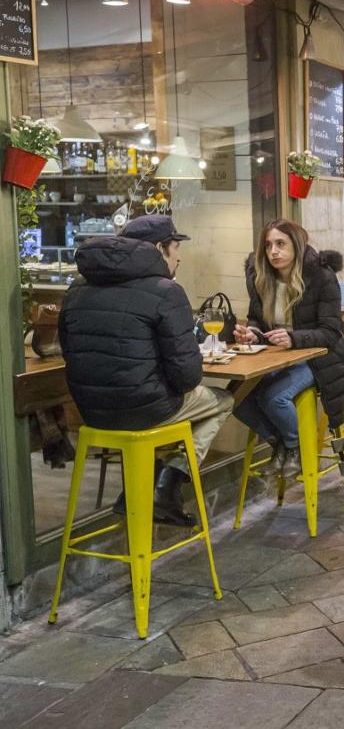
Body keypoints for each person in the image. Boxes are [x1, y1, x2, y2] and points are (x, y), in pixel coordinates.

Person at [59, 215, 234, 526]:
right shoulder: (166, 291)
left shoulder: (76, 289)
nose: (179, 256)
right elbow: (188, 377)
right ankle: (167, 485)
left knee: (152, 399)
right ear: (159, 248)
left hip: (92, 413)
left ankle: (138, 488)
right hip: (146, 410)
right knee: (222, 400)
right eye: (176, 248)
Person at [233, 219, 344, 477]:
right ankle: (282, 444)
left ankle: (296, 445)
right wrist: (253, 333)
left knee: (273, 398)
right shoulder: (259, 277)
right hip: (276, 357)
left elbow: (332, 332)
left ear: (297, 245)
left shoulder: (321, 275)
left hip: (320, 359)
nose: (273, 252)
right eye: (268, 246)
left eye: (280, 244)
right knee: (236, 398)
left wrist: (294, 338)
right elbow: (257, 319)